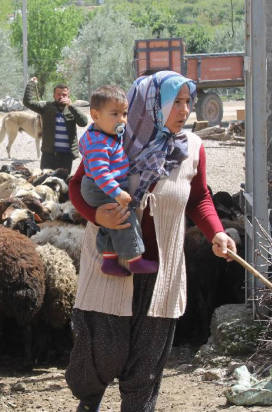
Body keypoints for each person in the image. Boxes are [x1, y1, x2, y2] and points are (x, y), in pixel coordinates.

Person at [64, 71, 238, 412]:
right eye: (176, 102)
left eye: (188, 102)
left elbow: (199, 197)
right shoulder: (114, 139)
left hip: (161, 270)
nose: (184, 110)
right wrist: (98, 216)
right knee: (104, 351)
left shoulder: (192, 149)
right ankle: (90, 404)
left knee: (148, 358)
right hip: (111, 263)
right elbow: (77, 186)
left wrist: (216, 232)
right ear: (152, 104)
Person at [78, 85, 158, 277]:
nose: (121, 120)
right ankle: (135, 260)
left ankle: (109, 259)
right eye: (114, 114)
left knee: (110, 223)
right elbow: (100, 174)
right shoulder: (99, 143)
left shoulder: (104, 135)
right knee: (124, 218)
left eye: (124, 114)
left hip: (101, 186)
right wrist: (117, 192)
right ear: (95, 115)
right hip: (101, 187)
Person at [23, 77, 89, 171]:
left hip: (66, 156)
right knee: (44, 181)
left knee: (63, 182)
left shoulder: (72, 110)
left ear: (68, 96)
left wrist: (71, 106)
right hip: (49, 154)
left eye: (64, 94)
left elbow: (83, 122)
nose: (61, 97)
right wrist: (32, 84)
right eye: (58, 94)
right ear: (54, 95)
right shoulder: (46, 107)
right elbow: (27, 102)